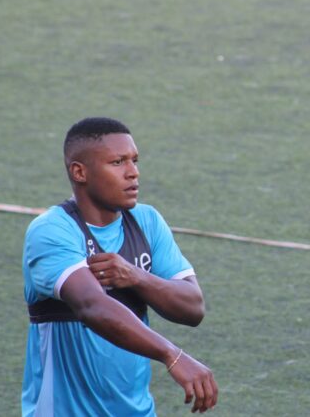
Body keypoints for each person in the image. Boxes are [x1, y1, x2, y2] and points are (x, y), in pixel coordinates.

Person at [22, 117, 218, 416]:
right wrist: (172, 355)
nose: (133, 172)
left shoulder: (147, 222)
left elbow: (193, 307)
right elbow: (92, 306)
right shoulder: (52, 231)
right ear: (79, 172)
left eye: (134, 160)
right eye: (117, 162)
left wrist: (137, 276)